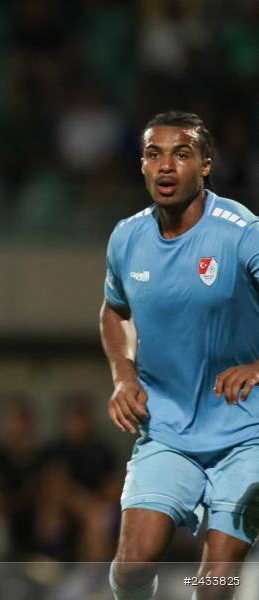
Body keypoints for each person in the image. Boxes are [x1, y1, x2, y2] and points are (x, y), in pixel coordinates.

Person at [101, 111, 259, 600]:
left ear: (206, 165)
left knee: (214, 584)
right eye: (154, 154)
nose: (166, 166)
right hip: (167, 427)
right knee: (132, 564)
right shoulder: (127, 238)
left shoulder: (242, 232)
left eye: (181, 154)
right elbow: (114, 312)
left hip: (247, 431)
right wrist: (123, 376)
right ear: (142, 166)